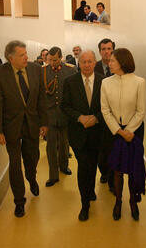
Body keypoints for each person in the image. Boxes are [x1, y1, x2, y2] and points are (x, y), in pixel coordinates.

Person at [0, 40, 48, 218]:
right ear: (11, 58)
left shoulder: (36, 69)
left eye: (26, 54)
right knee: (15, 165)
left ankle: (32, 178)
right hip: (11, 127)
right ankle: (19, 201)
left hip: (32, 124)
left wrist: (44, 123)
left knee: (32, 158)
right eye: (22, 55)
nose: (26, 57)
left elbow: (41, 98)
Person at [101, 48, 146, 221]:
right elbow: (105, 110)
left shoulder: (139, 82)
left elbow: (141, 111)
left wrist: (129, 131)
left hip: (134, 131)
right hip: (114, 131)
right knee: (117, 170)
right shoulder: (106, 83)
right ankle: (118, 201)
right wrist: (119, 131)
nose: (109, 62)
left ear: (122, 62)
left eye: (112, 60)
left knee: (133, 169)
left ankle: (133, 201)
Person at [62, 50, 104, 221]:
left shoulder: (104, 81)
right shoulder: (70, 82)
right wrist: (80, 118)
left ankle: (91, 190)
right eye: (84, 62)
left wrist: (96, 118)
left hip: (97, 133)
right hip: (78, 133)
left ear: (95, 62)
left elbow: (109, 107)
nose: (87, 65)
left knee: (93, 165)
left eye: (90, 61)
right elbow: (65, 106)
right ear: (79, 63)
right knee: (83, 165)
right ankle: (84, 203)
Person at [43, 46, 76, 187]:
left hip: (65, 114)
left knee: (64, 144)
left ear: (61, 58)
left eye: (55, 60)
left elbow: (74, 94)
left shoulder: (70, 70)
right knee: (50, 146)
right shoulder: (43, 71)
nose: (52, 63)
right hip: (50, 115)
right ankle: (53, 175)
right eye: (50, 60)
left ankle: (64, 166)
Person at [95, 38, 116, 189]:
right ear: (99, 51)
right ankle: (104, 171)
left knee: (113, 149)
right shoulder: (93, 67)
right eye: (103, 49)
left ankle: (112, 180)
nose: (106, 51)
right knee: (101, 151)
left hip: (116, 116)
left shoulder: (119, 67)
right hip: (98, 115)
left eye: (109, 48)